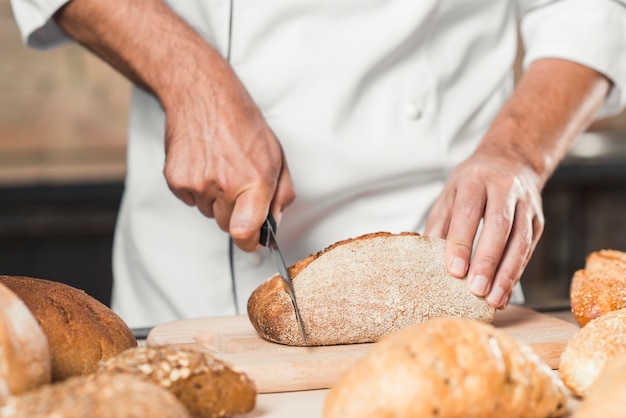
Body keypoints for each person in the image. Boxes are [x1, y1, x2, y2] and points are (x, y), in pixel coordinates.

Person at [10, 0, 626, 329]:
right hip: (188, 291)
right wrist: (186, 75)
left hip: (446, 260)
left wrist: (515, 153)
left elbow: (587, 11)